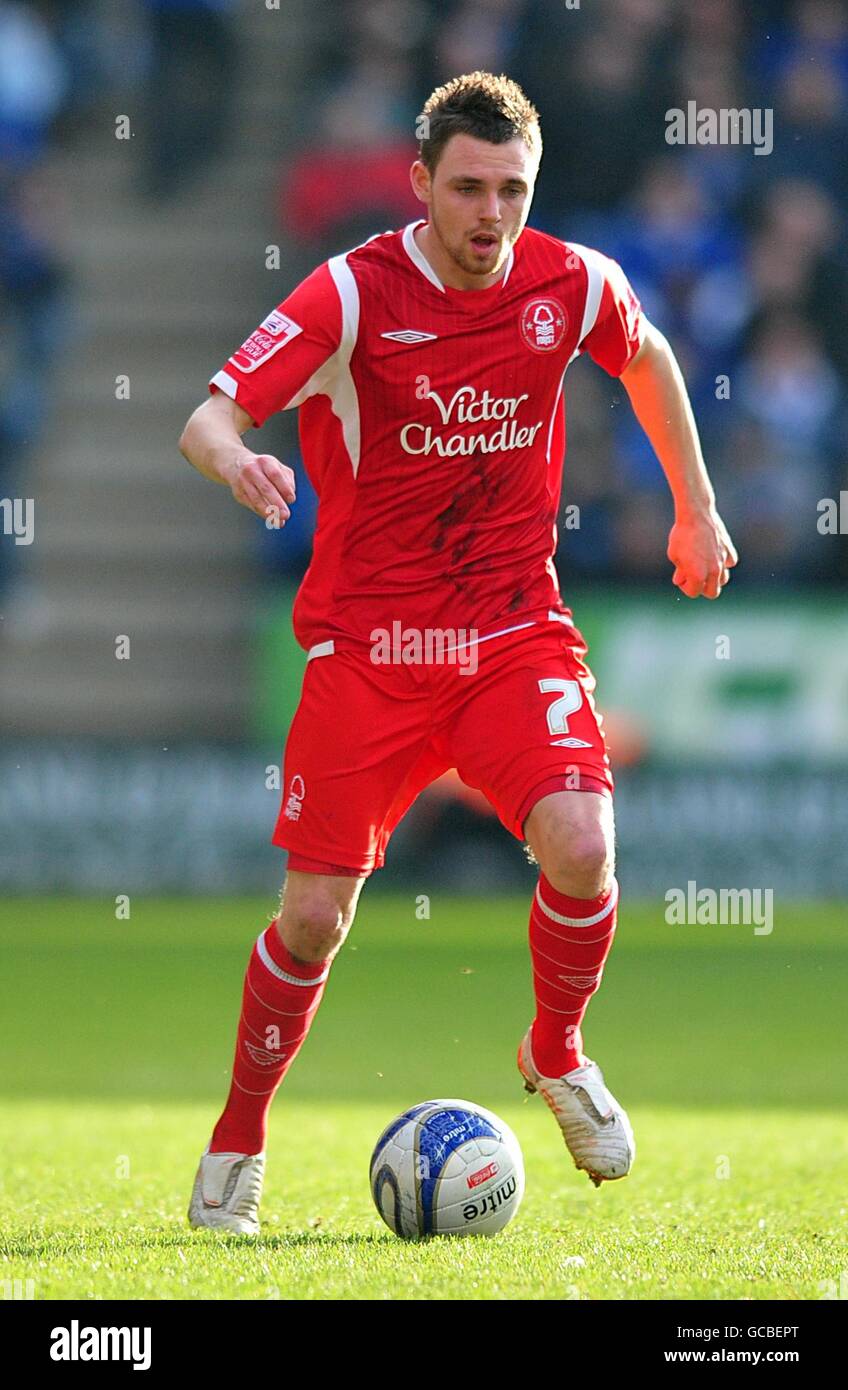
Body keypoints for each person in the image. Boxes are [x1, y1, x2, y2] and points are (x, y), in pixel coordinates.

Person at [179, 71, 737, 1235]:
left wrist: (694, 505)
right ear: (422, 182)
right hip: (368, 650)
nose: (492, 215)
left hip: (507, 631)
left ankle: (556, 1049)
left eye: (513, 191)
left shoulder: (568, 278)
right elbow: (209, 414)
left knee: (582, 842)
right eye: (470, 188)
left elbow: (647, 358)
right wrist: (238, 463)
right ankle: (237, 1140)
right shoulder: (351, 293)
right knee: (312, 921)